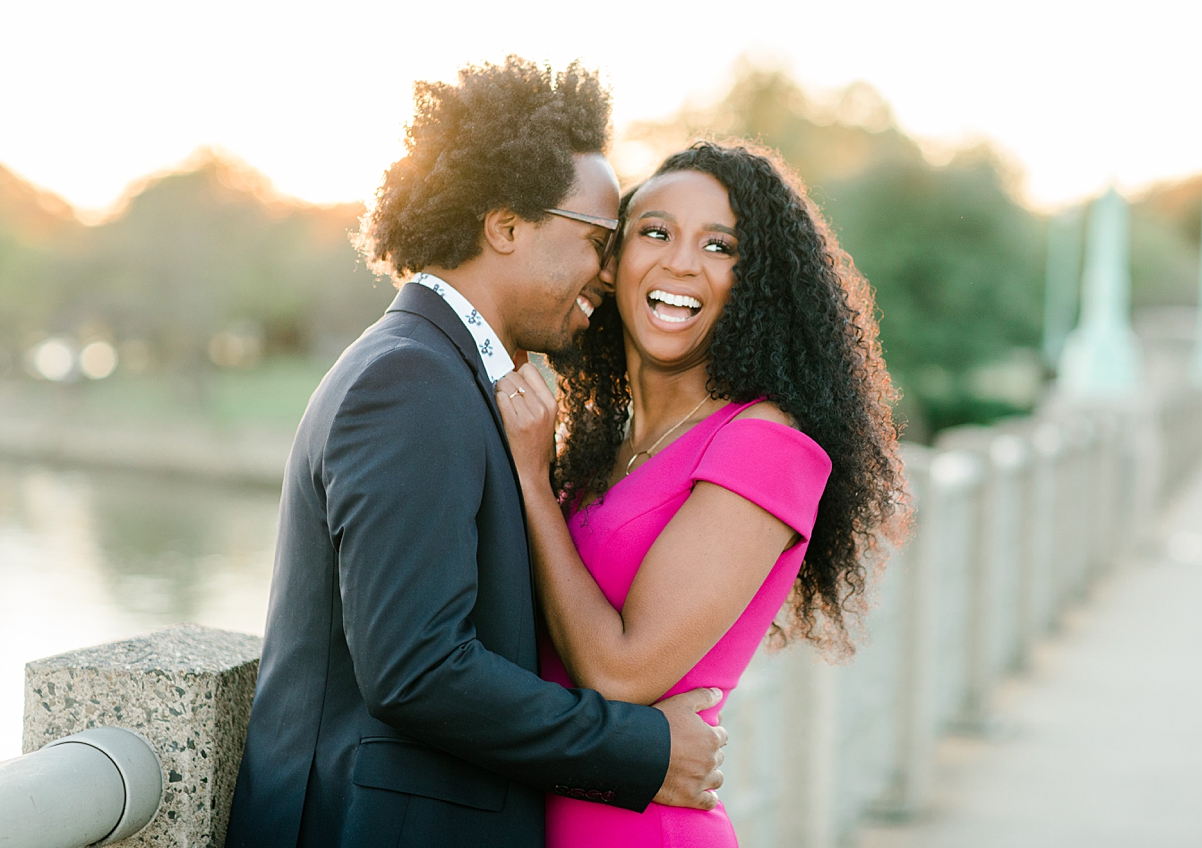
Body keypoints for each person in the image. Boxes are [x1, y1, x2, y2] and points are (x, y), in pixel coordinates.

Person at [227, 58, 726, 848]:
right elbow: (417, 668)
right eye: (600, 240)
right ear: (505, 226)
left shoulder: (451, 373)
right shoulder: (410, 381)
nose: (610, 272)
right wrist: (642, 748)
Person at [497, 141, 909, 847]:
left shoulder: (764, 445)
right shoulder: (603, 448)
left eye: (719, 247)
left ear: (757, 284)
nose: (680, 262)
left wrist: (532, 485)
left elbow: (618, 674)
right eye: (654, 232)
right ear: (614, 259)